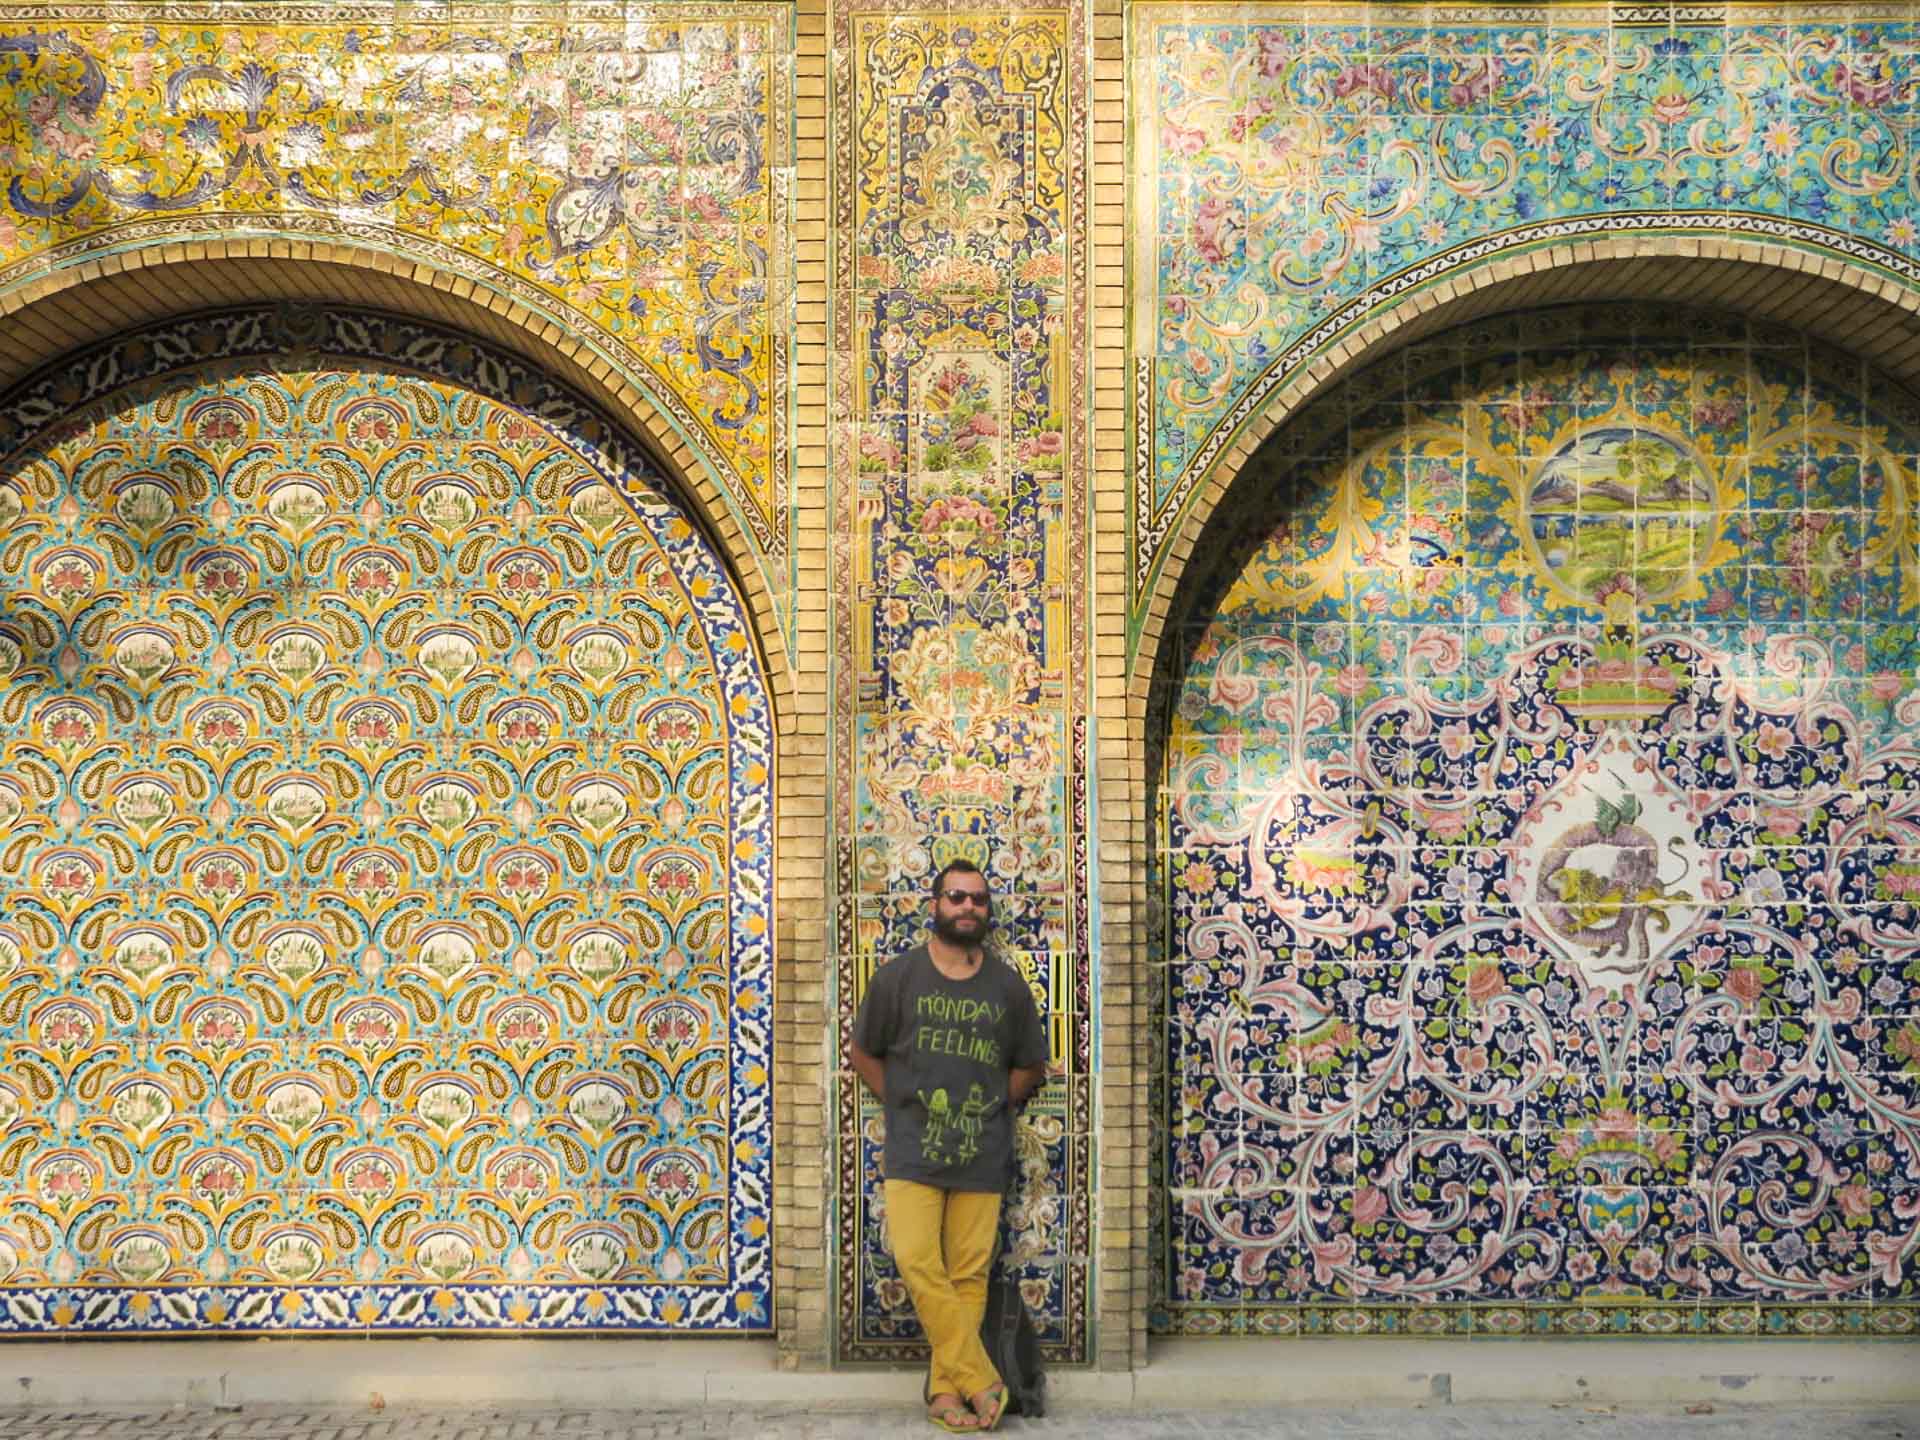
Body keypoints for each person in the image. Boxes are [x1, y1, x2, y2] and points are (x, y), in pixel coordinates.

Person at [850, 859, 1049, 1434]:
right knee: (917, 1260)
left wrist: (988, 1104)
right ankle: (981, 1378)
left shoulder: (1006, 986)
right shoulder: (897, 978)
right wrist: (902, 1103)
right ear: (934, 905)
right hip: (914, 1149)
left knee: (968, 1276)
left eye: (978, 900)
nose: (968, 908)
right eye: (957, 897)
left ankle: (944, 1392)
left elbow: (1029, 1066)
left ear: (988, 912)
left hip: (981, 1152)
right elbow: (863, 1052)